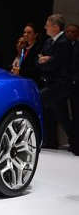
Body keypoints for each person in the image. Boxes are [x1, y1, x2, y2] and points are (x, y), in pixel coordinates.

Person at [37, 14, 74, 151]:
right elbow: (39, 60)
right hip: (51, 83)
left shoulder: (64, 42)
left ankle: (45, 138)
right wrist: (44, 60)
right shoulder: (48, 42)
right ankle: (53, 140)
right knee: (60, 114)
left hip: (60, 84)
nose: (45, 27)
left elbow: (56, 63)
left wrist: (46, 61)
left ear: (56, 27)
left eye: (47, 25)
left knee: (39, 100)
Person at [65, 23, 79, 155]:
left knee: (76, 114)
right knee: (63, 114)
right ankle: (73, 141)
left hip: (76, 85)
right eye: (68, 31)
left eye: (73, 32)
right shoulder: (63, 46)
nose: (70, 34)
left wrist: (75, 79)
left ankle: (76, 144)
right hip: (64, 84)